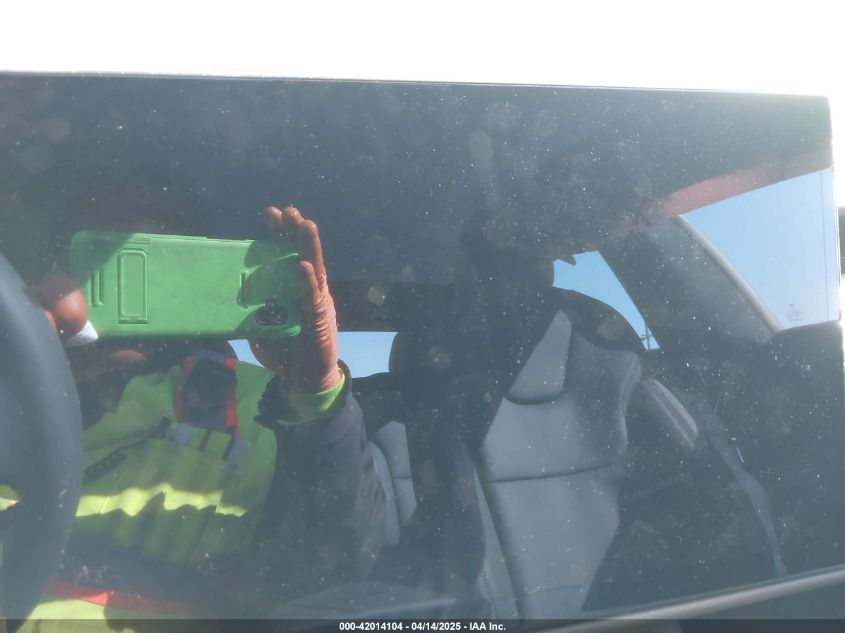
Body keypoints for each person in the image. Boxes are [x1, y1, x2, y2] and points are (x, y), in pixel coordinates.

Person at [22, 205, 386, 621]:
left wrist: (315, 398)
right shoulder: (12, 381)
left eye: (151, 261)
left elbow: (334, 572)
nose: (127, 287)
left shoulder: (270, 401)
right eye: (97, 262)